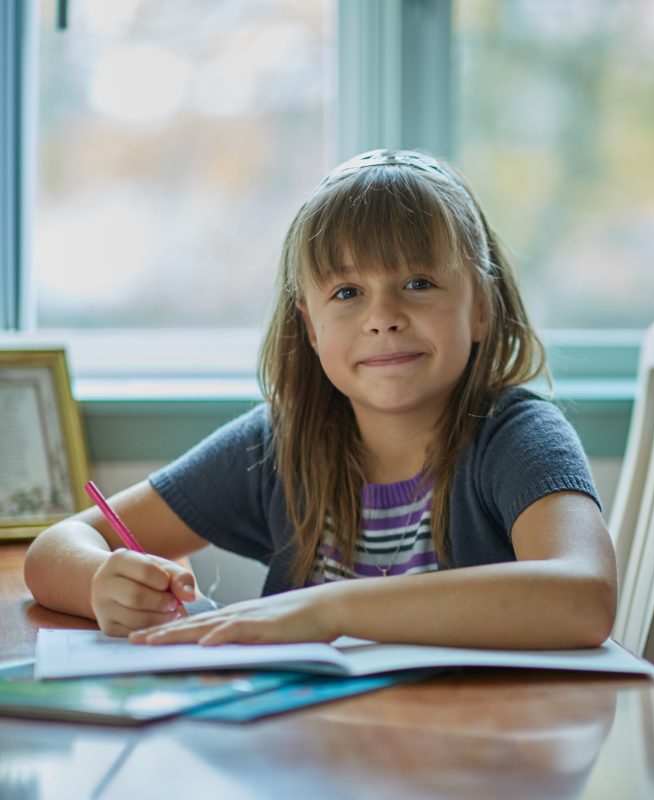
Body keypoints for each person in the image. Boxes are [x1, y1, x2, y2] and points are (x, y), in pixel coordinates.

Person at [24, 149, 617, 651]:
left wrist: (330, 609)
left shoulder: (516, 438)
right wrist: (104, 581)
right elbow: (54, 550)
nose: (383, 318)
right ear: (310, 328)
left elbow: (585, 597)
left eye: (418, 283)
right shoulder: (278, 445)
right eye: (348, 292)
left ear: (481, 307)